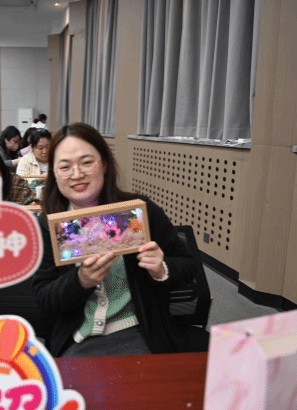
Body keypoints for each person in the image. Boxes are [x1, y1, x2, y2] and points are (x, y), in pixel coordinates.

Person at [32, 122, 196, 358]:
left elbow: (187, 265)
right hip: (79, 339)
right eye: (65, 167)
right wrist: (81, 281)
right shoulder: (48, 226)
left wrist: (161, 269)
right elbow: (45, 300)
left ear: (104, 164)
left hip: (141, 332)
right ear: (54, 174)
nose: (77, 174)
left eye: (86, 162)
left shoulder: (138, 212)